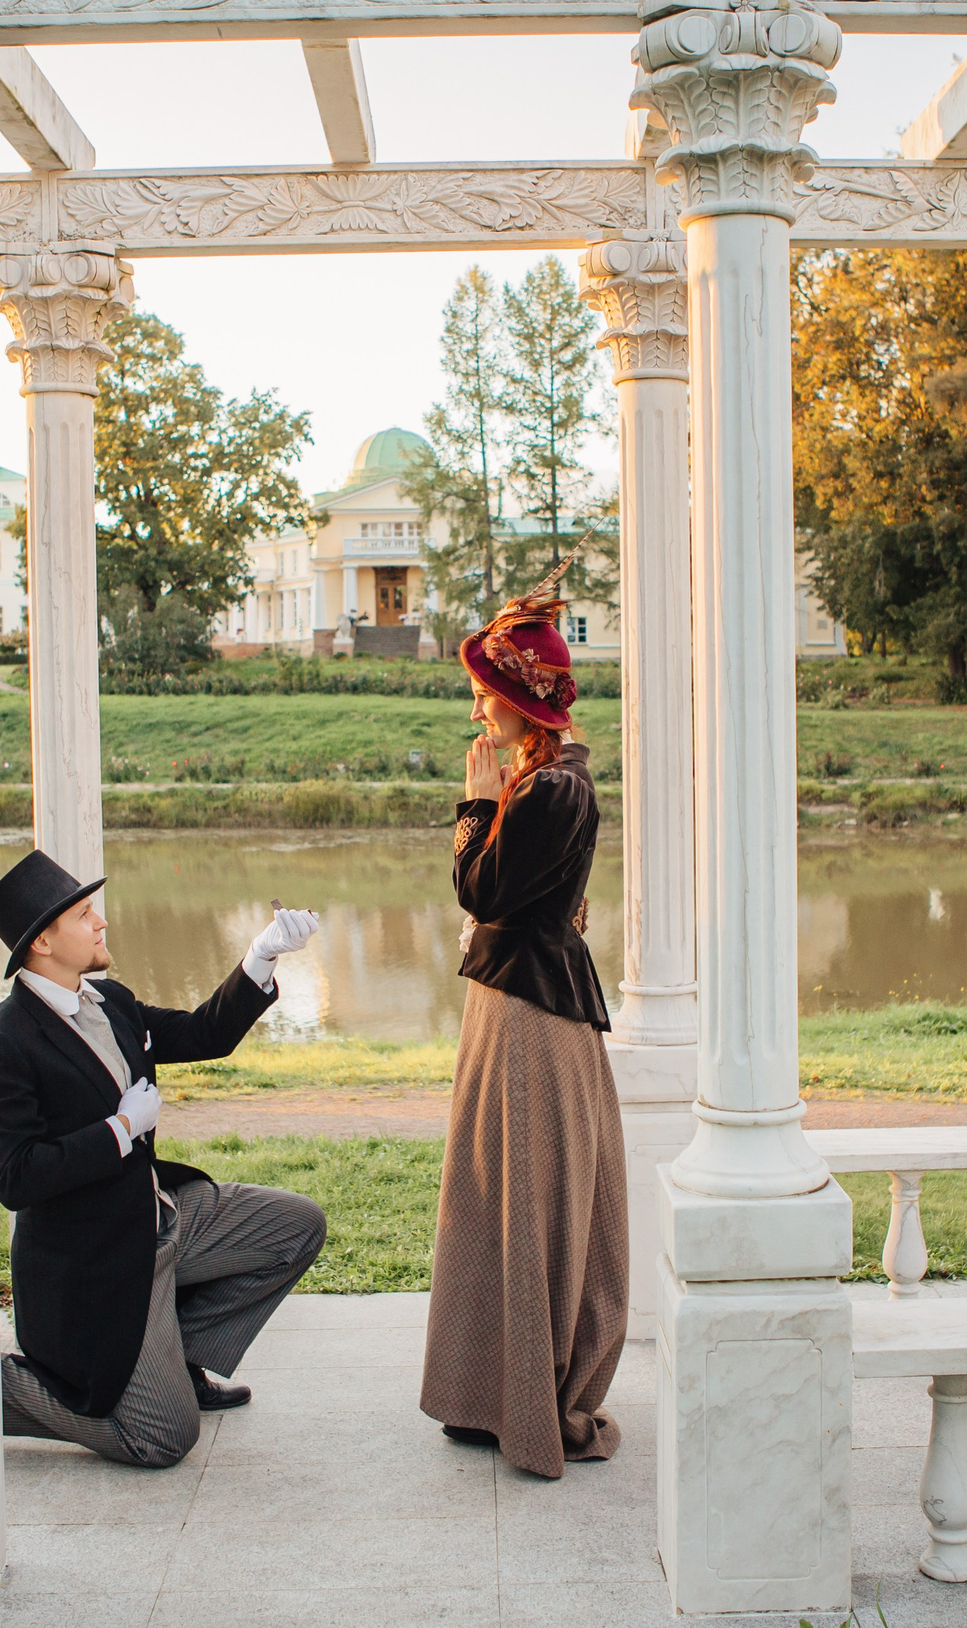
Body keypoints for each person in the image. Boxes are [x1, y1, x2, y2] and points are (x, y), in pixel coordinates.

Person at [0, 849, 328, 1468]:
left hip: (162, 1217)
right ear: (44, 941)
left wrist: (260, 956)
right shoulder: (0, 1045)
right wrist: (119, 1129)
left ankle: (173, 1361)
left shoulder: (111, 1002)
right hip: (97, 1265)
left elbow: (204, 1034)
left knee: (296, 1228)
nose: (101, 923)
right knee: (162, 1439)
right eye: (85, 915)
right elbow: (18, 1178)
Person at [419, 571, 628, 1479]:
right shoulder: (542, 783)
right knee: (495, 1192)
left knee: (525, 1198)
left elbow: (486, 891)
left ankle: (529, 1396)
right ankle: (489, 1390)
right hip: (514, 999)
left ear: (520, 703)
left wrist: (473, 807)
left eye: (485, 697)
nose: (478, 714)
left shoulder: (552, 791)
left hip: (534, 1014)